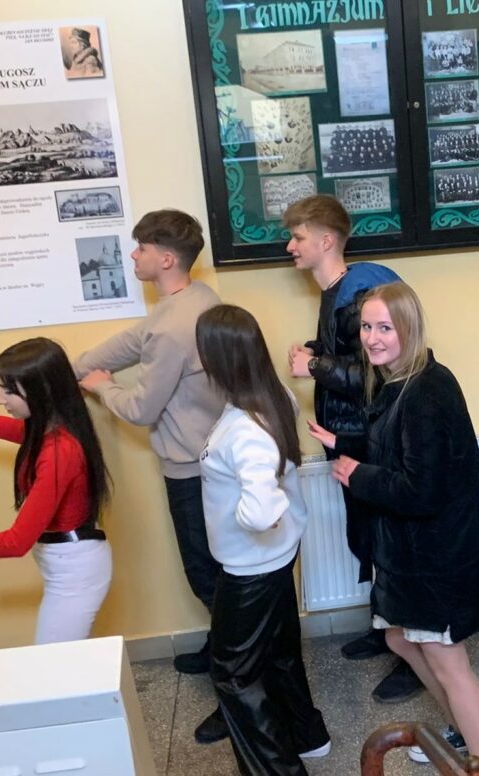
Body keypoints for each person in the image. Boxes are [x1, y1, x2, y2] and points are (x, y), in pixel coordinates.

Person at [308, 282, 479, 776]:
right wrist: (342, 442)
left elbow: (422, 490)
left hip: (436, 557)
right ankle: (459, 731)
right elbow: (392, 442)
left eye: (385, 327)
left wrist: (358, 475)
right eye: (367, 327)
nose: (372, 338)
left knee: (448, 662)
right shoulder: (399, 380)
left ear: (409, 329)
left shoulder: (427, 392)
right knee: (399, 639)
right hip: (411, 553)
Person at [74, 209, 228, 743]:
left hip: (192, 469)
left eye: (140, 248)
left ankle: (235, 689)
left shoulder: (173, 326)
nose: (133, 255)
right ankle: (223, 649)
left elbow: (140, 408)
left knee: (208, 578)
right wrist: (76, 366)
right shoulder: (194, 300)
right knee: (217, 576)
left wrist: (100, 386)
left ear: (165, 258)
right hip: (210, 461)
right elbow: (133, 340)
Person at [283, 194, 423, 704]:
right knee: (368, 538)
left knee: (388, 543)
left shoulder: (357, 291)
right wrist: (318, 351)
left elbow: (373, 372)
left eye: (298, 237)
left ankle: (415, 655)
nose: (290, 246)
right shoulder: (338, 292)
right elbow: (350, 352)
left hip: (368, 438)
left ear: (326, 241)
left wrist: (314, 366)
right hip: (349, 435)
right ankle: (387, 630)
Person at [196, 305, 330, 775]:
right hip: (274, 557)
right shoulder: (273, 397)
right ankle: (308, 736)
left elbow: (260, 510)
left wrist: (237, 516)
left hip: (251, 569)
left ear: (218, 359)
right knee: (278, 652)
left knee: (232, 675)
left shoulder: (244, 429)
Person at [0, 338, 112, 644]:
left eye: (8, 391)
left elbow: (16, 541)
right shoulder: (55, 428)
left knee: (52, 663)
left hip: (74, 572)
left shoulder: (60, 452)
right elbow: (20, 432)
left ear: (40, 391)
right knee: (72, 660)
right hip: (68, 563)